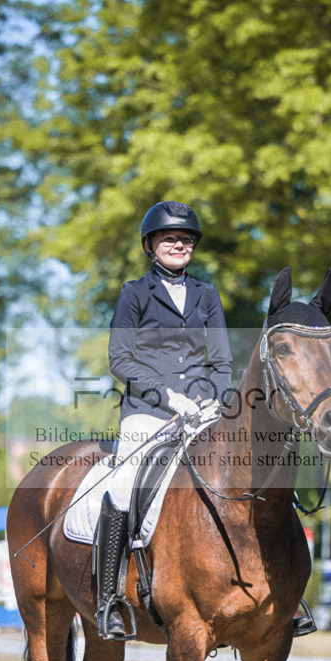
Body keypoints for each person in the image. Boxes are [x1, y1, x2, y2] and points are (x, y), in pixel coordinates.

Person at [95, 200, 233, 638]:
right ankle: (109, 600)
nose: (179, 244)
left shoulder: (207, 295)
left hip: (202, 413)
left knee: (254, 469)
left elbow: (223, 362)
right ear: (150, 245)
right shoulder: (134, 293)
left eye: (186, 239)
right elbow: (120, 358)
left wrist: (210, 399)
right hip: (148, 412)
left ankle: (284, 594)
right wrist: (168, 395)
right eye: (170, 238)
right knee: (123, 483)